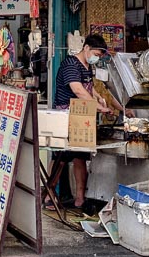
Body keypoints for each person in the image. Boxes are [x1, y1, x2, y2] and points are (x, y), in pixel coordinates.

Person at [51, 34, 127, 211]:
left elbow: (88, 88)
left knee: (80, 157)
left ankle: (80, 199)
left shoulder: (86, 67)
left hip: (82, 117)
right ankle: (49, 195)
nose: (97, 58)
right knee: (61, 158)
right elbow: (78, 90)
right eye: (96, 54)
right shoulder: (70, 64)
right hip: (66, 116)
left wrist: (99, 98)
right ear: (86, 48)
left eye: (100, 56)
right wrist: (99, 108)